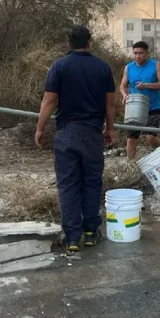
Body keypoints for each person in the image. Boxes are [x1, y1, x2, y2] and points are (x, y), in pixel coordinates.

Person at [35, 26, 116, 254]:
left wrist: (40, 128)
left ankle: (72, 237)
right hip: (92, 133)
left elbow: (49, 100)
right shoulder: (102, 67)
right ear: (89, 42)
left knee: (68, 185)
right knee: (92, 182)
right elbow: (110, 103)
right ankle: (91, 232)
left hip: (66, 133)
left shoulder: (59, 66)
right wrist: (110, 129)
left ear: (68, 43)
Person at [120, 41, 160, 160]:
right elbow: (122, 86)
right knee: (131, 139)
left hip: (153, 106)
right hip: (134, 108)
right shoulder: (129, 67)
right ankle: (130, 167)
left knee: (150, 137)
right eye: (135, 53)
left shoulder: (156, 65)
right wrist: (124, 95)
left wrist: (146, 85)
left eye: (140, 53)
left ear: (147, 53)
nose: (137, 56)